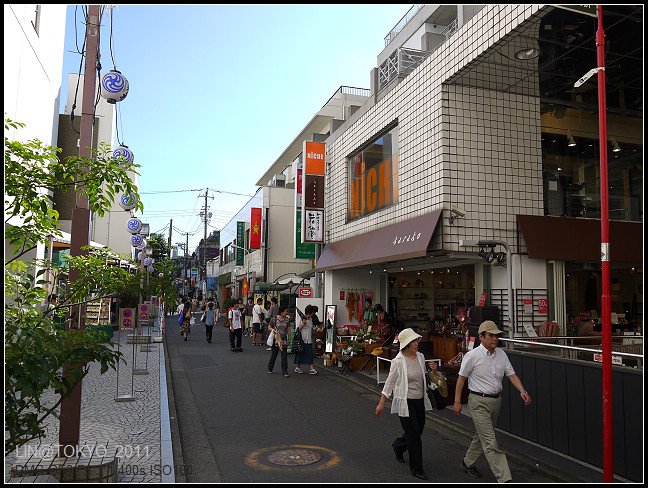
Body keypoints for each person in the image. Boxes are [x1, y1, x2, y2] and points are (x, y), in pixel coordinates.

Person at [453, 320, 532, 483]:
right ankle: (504, 478)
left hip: (496, 401)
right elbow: (461, 379)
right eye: (491, 335)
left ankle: (467, 463)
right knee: (490, 441)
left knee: (482, 436)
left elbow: (511, 375)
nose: (495, 338)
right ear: (481, 337)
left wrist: (522, 390)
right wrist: (457, 401)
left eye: (497, 335)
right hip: (477, 401)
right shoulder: (472, 356)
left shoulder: (501, 354)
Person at [375, 328, 433, 480]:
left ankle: (398, 446)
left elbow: (423, 376)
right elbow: (389, 383)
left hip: (419, 400)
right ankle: (417, 468)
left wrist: (432, 369)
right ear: (406, 344)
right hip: (405, 402)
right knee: (414, 436)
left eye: (416, 340)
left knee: (417, 431)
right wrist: (382, 403)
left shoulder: (420, 357)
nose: (416, 343)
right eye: (413, 341)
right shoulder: (398, 361)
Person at [267, 306, 291, 378]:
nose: (287, 313)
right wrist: (273, 330)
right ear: (282, 312)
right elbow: (269, 327)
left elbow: (288, 329)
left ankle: (285, 372)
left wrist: (289, 338)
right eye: (286, 311)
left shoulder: (287, 320)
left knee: (284, 356)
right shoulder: (274, 319)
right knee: (274, 355)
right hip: (276, 339)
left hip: (283, 339)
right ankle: (270, 368)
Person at [294, 305, 318, 375]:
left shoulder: (310, 319)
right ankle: (298, 367)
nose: (312, 315)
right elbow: (297, 329)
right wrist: (303, 324)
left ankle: (312, 368)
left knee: (310, 354)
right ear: (308, 313)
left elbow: (311, 327)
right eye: (312, 314)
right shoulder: (301, 319)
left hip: (309, 339)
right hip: (302, 339)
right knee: (300, 353)